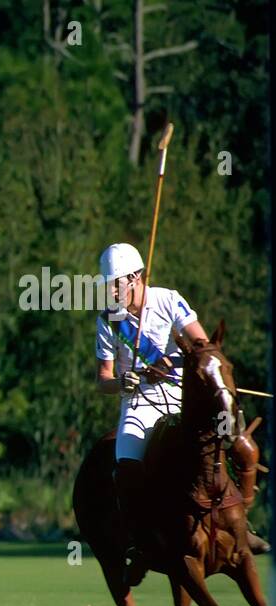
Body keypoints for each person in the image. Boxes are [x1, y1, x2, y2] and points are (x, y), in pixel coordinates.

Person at [95, 242, 266, 587]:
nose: (111, 292)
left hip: (185, 399)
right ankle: (140, 544)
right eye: (108, 285)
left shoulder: (169, 301)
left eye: (116, 284)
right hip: (139, 404)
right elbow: (103, 379)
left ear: (136, 278)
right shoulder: (108, 320)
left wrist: (170, 361)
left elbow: (205, 347)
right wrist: (122, 382)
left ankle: (242, 525)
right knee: (126, 467)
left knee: (240, 445)